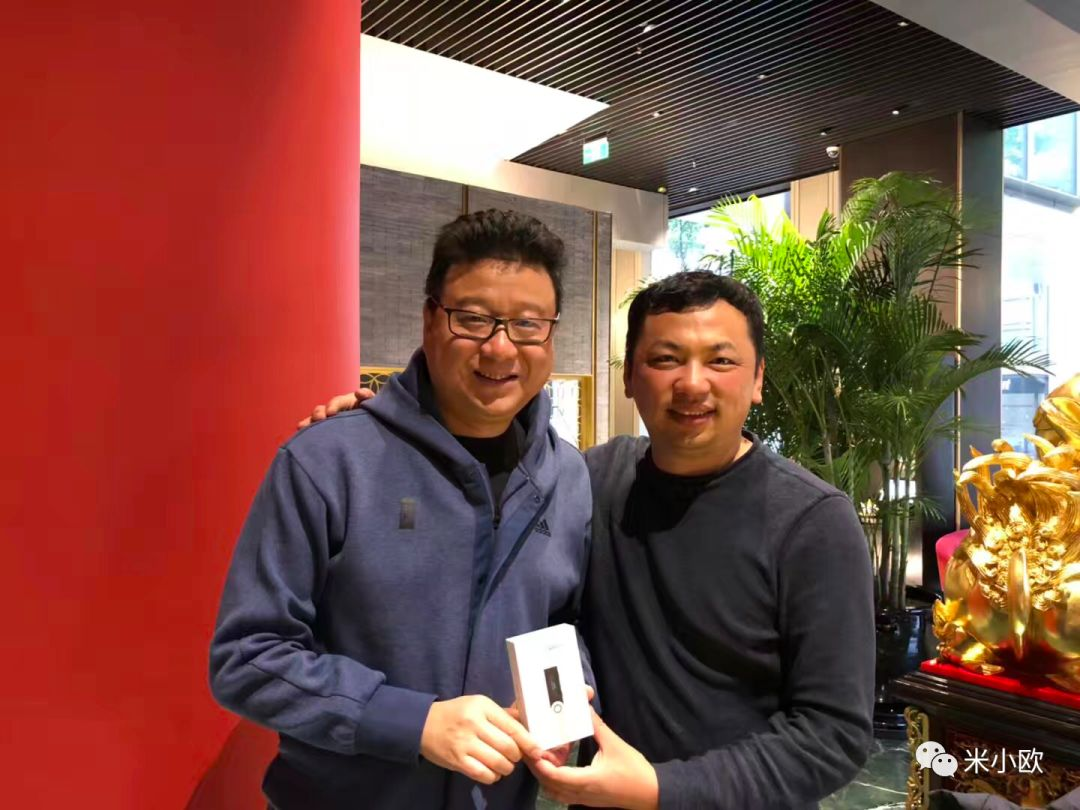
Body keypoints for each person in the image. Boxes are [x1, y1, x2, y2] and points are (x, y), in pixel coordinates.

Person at [306, 270, 876, 809]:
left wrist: (660, 789)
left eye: (721, 360)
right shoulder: (592, 480)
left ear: (757, 380)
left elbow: (834, 735)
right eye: (665, 359)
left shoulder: (812, 522)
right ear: (629, 378)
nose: (691, 383)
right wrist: (379, 433)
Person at [210, 209, 594, 810]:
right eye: (473, 319)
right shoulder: (329, 460)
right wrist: (414, 722)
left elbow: (566, 624)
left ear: (551, 335)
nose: (500, 347)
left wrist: (565, 702)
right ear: (429, 319)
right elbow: (248, 658)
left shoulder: (568, 475)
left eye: (527, 324)